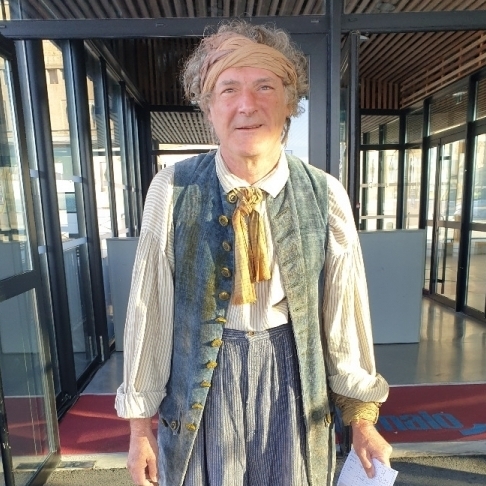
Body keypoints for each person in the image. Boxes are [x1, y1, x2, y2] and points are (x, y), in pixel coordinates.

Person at [115, 19, 392, 486]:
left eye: (265, 86)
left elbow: (344, 314)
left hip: (292, 381)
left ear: (289, 103)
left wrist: (363, 421)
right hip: (204, 386)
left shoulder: (324, 193)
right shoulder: (171, 188)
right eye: (229, 89)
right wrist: (140, 430)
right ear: (208, 106)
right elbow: (150, 309)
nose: (247, 104)